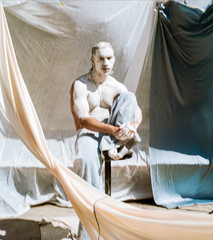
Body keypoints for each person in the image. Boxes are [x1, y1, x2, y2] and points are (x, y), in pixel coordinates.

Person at [70, 42, 142, 239]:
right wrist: (113, 130)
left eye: (109, 58)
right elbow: (83, 119)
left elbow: (137, 112)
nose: (105, 63)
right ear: (92, 60)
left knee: (130, 97)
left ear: (114, 60)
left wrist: (133, 125)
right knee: (86, 160)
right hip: (89, 134)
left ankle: (113, 145)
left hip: (112, 136)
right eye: (101, 58)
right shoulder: (81, 85)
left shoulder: (117, 86)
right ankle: (90, 231)